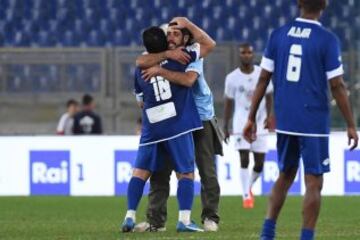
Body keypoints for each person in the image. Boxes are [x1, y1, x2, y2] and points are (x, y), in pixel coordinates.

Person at [243, 0, 359, 239]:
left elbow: (263, 79)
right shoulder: (327, 40)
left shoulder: (278, 35)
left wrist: (251, 118)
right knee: (314, 181)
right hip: (313, 120)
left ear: (298, 4)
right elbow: (336, 84)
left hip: (285, 119)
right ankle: (306, 236)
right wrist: (350, 123)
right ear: (324, 6)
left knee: (285, 174)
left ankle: (267, 232)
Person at [135, 17, 223, 232]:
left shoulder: (191, 54)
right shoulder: (163, 56)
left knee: (206, 170)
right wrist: (163, 58)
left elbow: (188, 81)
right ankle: (156, 221)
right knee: (160, 172)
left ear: (185, 37)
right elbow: (139, 63)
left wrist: (187, 23)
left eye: (176, 33)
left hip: (200, 118)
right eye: (168, 34)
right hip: (175, 121)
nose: (170, 37)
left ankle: (210, 217)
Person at [121, 25, 206, 233]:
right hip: (177, 126)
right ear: (165, 42)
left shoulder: (141, 68)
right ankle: (184, 220)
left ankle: (129, 216)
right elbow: (208, 44)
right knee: (185, 173)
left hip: (152, 129)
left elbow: (140, 101)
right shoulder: (181, 58)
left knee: (140, 173)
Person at [223, 43, 273, 209]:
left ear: (253, 54)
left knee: (259, 163)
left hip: (260, 122)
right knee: (244, 158)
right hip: (240, 122)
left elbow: (269, 95)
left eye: (249, 52)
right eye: (243, 52)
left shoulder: (262, 73)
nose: (246, 55)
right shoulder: (232, 78)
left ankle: (248, 186)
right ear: (239, 55)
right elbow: (228, 102)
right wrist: (225, 125)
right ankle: (246, 196)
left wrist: (270, 115)